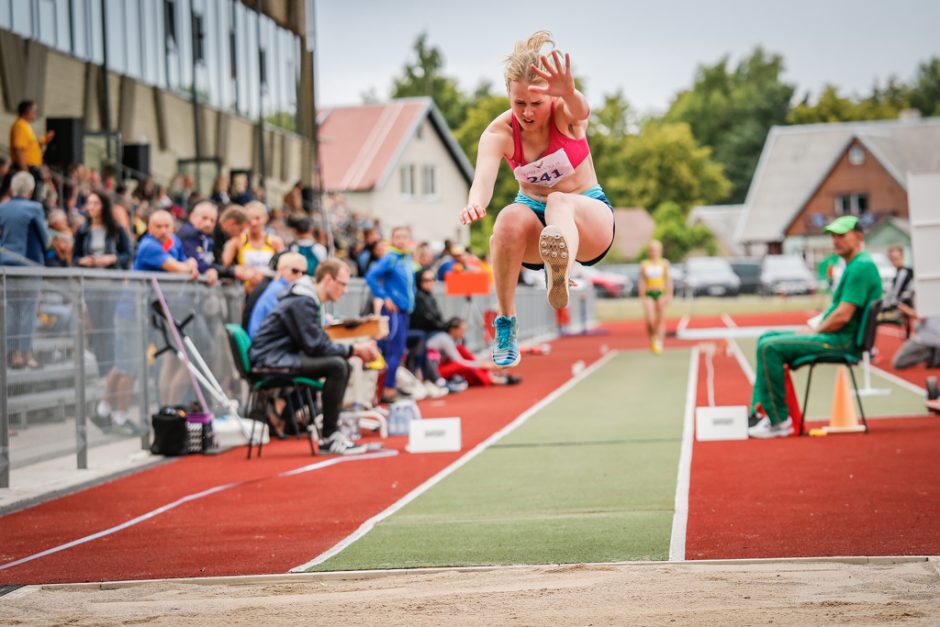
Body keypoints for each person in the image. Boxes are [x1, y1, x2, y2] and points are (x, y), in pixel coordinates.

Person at [459, 31, 615, 368]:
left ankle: (559, 265)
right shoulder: (499, 133)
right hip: (534, 214)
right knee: (506, 221)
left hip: (587, 216)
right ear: (509, 96)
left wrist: (569, 91)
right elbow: (482, 179)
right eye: (519, 104)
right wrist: (476, 203)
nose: (527, 113)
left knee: (560, 201)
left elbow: (581, 108)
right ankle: (506, 321)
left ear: (550, 97)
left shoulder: (565, 111)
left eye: (536, 103)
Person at [748, 215, 883, 438]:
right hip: (835, 337)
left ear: (858, 236)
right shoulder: (854, 265)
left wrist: (816, 330)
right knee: (767, 337)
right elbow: (836, 311)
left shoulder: (861, 267)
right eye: (833, 236)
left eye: (841, 235)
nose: (835, 240)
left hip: (841, 342)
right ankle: (758, 412)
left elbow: (842, 315)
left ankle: (779, 421)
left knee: (769, 347)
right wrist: (812, 326)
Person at [249, 259, 380, 454]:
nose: (345, 290)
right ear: (328, 279)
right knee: (338, 366)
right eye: (342, 284)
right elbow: (315, 346)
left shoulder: (307, 299)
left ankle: (331, 434)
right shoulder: (303, 300)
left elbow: (316, 343)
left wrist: (352, 349)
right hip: (270, 359)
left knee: (341, 364)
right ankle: (329, 437)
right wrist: (355, 350)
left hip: (279, 355)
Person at [101, 210, 198, 435]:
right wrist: (189, 265)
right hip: (130, 312)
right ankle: (120, 416)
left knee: (125, 362)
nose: (163, 231)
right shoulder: (148, 246)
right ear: (150, 228)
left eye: (167, 226)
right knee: (130, 365)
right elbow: (179, 268)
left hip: (148, 314)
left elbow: (186, 262)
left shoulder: (174, 242)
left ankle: (104, 407)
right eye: (158, 226)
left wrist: (190, 263)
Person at [0, 172, 49, 369]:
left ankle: (12, 355)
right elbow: (44, 239)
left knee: (11, 310)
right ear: (30, 191)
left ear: (12, 189)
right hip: (29, 267)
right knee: (27, 311)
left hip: (6, 267)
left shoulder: (2, 208)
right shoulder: (35, 208)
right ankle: (25, 354)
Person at [365, 226, 416, 403]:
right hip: (394, 311)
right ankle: (387, 390)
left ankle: (387, 387)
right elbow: (371, 276)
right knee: (394, 351)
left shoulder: (406, 258)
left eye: (404, 236)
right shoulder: (391, 258)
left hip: (405, 311)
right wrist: (385, 297)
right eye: (398, 237)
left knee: (398, 351)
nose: (401, 240)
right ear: (392, 240)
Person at [427, 318, 521, 387]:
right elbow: (459, 362)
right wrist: (481, 365)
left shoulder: (454, 340)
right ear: (453, 330)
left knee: (462, 351)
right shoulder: (445, 339)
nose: (463, 333)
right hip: (434, 372)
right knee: (463, 366)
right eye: (462, 330)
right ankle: (494, 379)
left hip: (441, 365)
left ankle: (490, 375)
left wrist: (481, 364)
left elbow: (466, 358)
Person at [222, 200, 284, 290]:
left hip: (268, 289)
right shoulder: (237, 240)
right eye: (250, 219)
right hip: (246, 291)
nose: (253, 223)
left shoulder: (275, 242)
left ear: (265, 218)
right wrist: (239, 270)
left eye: (257, 218)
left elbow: (285, 267)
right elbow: (225, 265)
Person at [247, 252, 307, 338]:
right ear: (282, 270)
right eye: (295, 271)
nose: (300, 276)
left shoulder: (276, 286)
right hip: (264, 344)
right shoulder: (281, 290)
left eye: (303, 273)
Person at [7, 100, 54, 201]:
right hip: (26, 168)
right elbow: (18, 149)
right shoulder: (19, 125)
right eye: (34, 111)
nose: (35, 114)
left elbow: (30, 147)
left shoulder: (26, 126)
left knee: (36, 196)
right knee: (30, 198)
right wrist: (25, 171)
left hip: (31, 168)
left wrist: (43, 141)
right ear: (27, 112)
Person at [639, 240, 673, 355]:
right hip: (649, 293)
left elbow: (668, 280)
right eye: (652, 249)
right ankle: (653, 337)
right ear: (649, 251)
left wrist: (669, 294)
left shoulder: (664, 263)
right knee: (649, 319)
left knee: (660, 319)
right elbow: (642, 281)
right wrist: (642, 296)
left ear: (660, 251)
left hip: (661, 293)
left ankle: (659, 341)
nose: (654, 252)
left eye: (656, 249)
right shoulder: (644, 264)